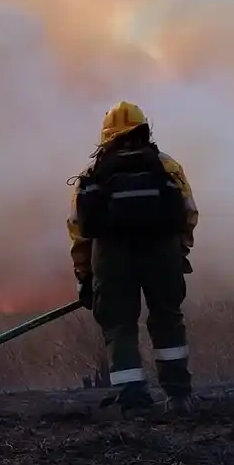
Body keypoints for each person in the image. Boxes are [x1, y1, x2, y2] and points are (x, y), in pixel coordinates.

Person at [67, 101, 199, 416]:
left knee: (119, 326)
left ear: (106, 136)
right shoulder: (166, 167)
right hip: (161, 250)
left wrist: (85, 275)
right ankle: (178, 396)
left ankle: (132, 399)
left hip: (111, 257)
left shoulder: (93, 174)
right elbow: (188, 213)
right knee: (167, 319)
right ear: (144, 129)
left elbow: (79, 229)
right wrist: (179, 252)